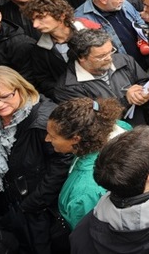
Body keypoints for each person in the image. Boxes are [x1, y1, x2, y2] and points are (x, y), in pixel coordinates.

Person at [0, 66, 71, 254]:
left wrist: (33, 202)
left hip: (46, 209)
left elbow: (63, 163)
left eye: (5, 96)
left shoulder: (44, 121)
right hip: (20, 206)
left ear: (21, 88)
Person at [45, 97, 131, 229]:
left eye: (53, 136)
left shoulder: (84, 192)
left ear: (75, 139)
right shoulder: (120, 127)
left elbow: (85, 232)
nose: (47, 139)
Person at [52, 28, 149, 125]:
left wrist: (145, 92)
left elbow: (145, 81)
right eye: (101, 56)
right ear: (81, 57)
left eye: (111, 51)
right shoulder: (67, 88)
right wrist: (126, 100)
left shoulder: (124, 61)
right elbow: (89, 121)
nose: (109, 58)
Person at [75, 0, 149, 70]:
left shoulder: (124, 4)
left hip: (143, 61)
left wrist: (143, 37)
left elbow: (139, 21)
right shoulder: (82, 18)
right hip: (119, 69)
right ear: (103, 0)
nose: (122, 1)